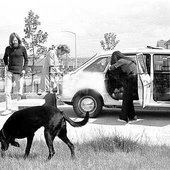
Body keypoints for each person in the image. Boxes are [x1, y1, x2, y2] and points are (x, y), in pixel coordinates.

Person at [2, 32, 28, 115]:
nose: (15, 41)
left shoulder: (22, 48)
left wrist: (24, 69)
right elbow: (5, 57)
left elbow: (26, 60)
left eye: (16, 40)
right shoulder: (8, 48)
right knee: (7, 91)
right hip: (9, 72)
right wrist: (6, 65)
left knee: (19, 91)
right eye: (13, 40)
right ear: (11, 41)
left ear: (18, 39)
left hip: (19, 72)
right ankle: (8, 109)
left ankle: (19, 109)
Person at [109, 51, 138, 123]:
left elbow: (112, 68)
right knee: (129, 98)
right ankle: (132, 116)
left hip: (131, 78)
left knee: (126, 98)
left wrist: (109, 66)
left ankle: (123, 117)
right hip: (135, 78)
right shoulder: (128, 59)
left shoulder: (121, 61)